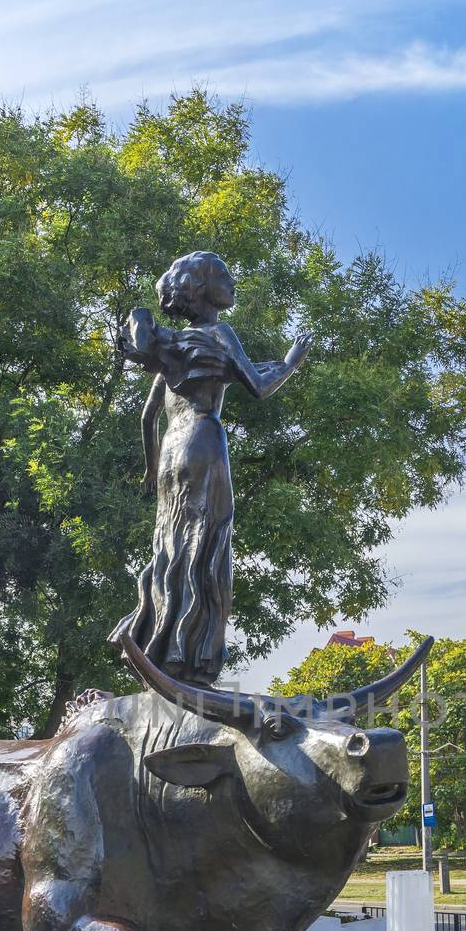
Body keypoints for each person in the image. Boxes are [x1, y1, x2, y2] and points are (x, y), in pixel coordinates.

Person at [118, 251, 311, 687]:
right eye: (225, 275)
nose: (233, 282)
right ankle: (193, 657)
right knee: (206, 548)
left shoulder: (170, 348)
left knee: (170, 549)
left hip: (171, 453)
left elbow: (148, 417)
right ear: (203, 288)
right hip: (204, 441)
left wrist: (151, 472)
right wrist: (292, 363)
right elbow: (259, 387)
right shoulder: (220, 333)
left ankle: (159, 646)